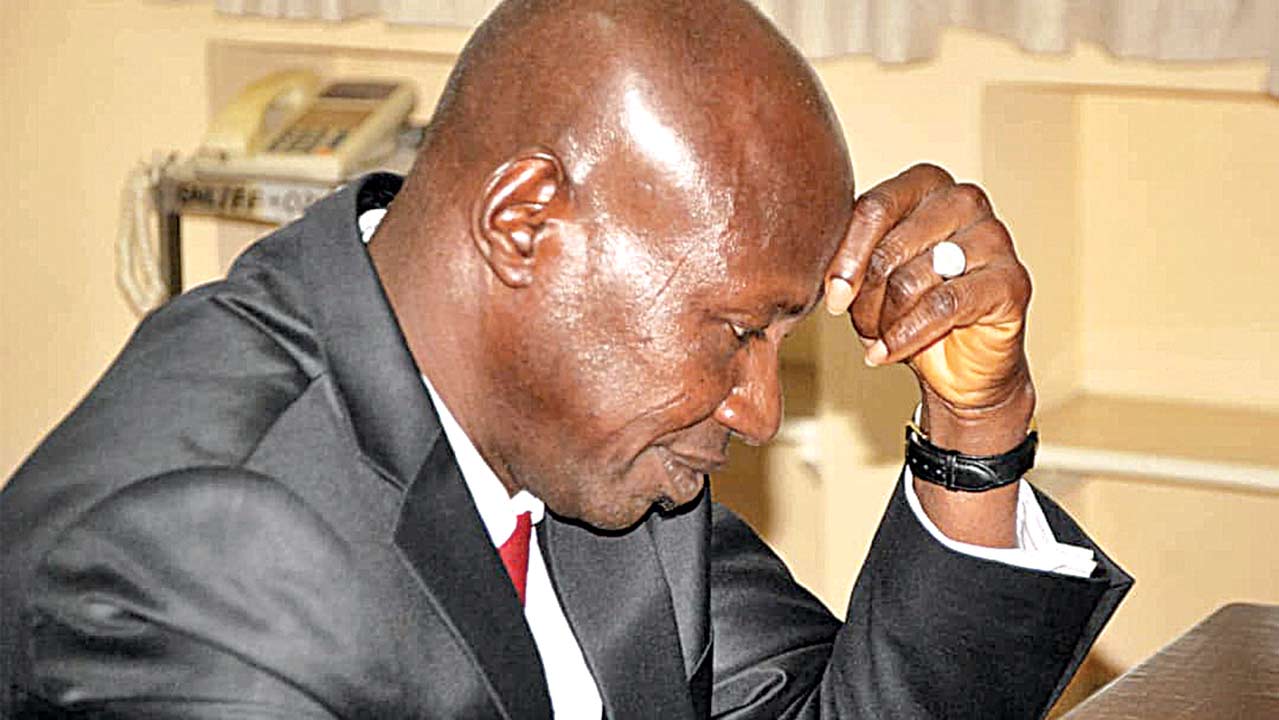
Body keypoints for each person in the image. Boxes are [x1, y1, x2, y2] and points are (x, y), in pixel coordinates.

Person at [0, 0, 1131, 717]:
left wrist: (975, 429)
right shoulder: (193, 561)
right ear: (524, 223)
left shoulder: (577, 430)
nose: (756, 411)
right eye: (739, 332)